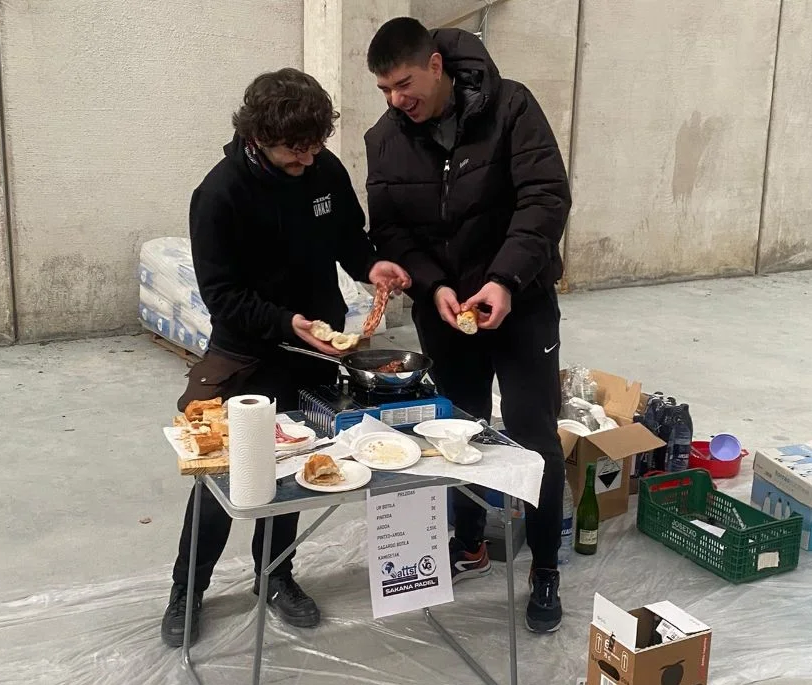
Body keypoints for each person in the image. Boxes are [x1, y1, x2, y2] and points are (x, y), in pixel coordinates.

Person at [161, 68, 410, 648]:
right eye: (294, 151)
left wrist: (370, 265)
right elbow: (221, 295)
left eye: (315, 145)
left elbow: (349, 239)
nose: (307, 159)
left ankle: (275, 577)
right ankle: (186, 590)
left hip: (315, 352)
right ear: (258, 137)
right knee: (227, 477)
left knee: (297, 469)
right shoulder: (219, 194)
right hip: (247, 355)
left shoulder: (324, 170)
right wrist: (284, 322)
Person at [364, 18, 572, 633]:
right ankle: (470, 541)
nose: (396, 100)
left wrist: (505, 280)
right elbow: (391, 230)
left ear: (436, 65)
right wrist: (435, 287)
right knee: (457, 430)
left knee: (533, 433)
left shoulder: (512, 107)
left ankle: (545, 568)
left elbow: (545, 197)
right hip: (446, 308)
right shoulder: (384, 140)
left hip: (521, 300)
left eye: (404, 84)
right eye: (384, 90)